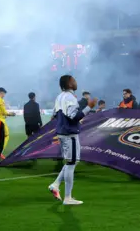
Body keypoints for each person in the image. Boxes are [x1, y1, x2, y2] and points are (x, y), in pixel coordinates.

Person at [48, 75, 96, 205]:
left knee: (73, 161)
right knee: (71, 164)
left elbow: (53, 115)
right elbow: (73, 116)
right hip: (69, 134)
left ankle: (56, 184)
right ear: (69, 84)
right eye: (73, 80)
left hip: (63, 132)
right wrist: (89, 107)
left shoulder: (59, 97)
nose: (75, 82)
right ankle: (67, 197)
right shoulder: (70, 97)